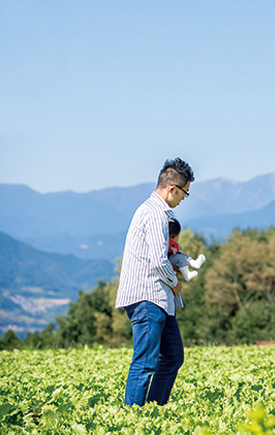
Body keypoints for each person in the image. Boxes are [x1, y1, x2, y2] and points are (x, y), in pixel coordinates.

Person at [115, 157, 195, 406]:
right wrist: (174, 282)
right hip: (147, 297)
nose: (183, 199)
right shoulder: (155, 213)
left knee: (172, 356)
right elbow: (159, 261)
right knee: (146, 361)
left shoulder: (156, 212)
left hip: (159, 300)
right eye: (184, 193)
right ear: (173, 188)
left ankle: (153, 412)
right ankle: (132, 419)